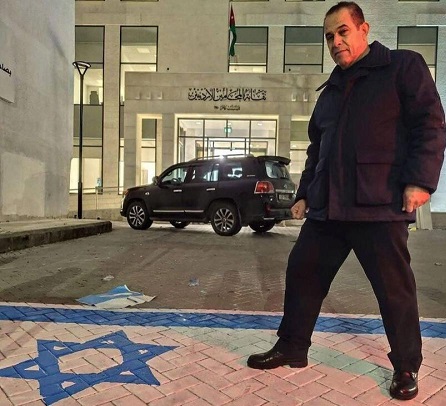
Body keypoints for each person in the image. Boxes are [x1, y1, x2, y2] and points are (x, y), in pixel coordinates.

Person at [247, 1, 446, 401]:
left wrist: (420, 181)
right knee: (303, 270)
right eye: (329, 37)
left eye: (342, 32)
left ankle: (406, 365)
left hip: (379, 205)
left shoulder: (402, 67)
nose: (335, 42)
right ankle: (293, 346)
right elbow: (317, 149)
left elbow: (430, 124)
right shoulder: (331, 90)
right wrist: (305, 193)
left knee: (394, 290)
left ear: (363, 29)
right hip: (329, 207)